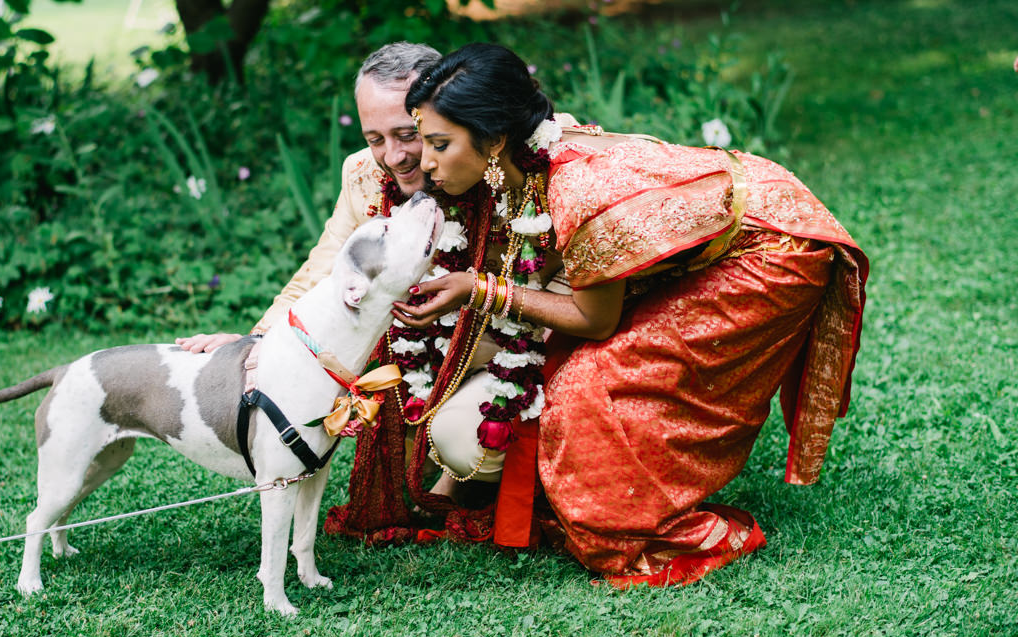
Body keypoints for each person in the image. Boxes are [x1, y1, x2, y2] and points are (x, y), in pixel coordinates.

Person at [332, 42, 868, 587]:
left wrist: (479, 288)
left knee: (592, 388)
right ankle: (606, 496)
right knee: (584, 379)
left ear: (494, 142)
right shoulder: (523, 165)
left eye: (438, 145)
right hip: (724, 229)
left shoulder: (579, 190)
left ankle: (631, 523)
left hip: (771, 252)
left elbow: (596, 320)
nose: (421, 163)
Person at [175, 41, 442, 356]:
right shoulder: (361, 172)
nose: (394, 157)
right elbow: (323, 269)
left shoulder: (487, 171)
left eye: (408, 135)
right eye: (375, 139)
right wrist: (258, 341)